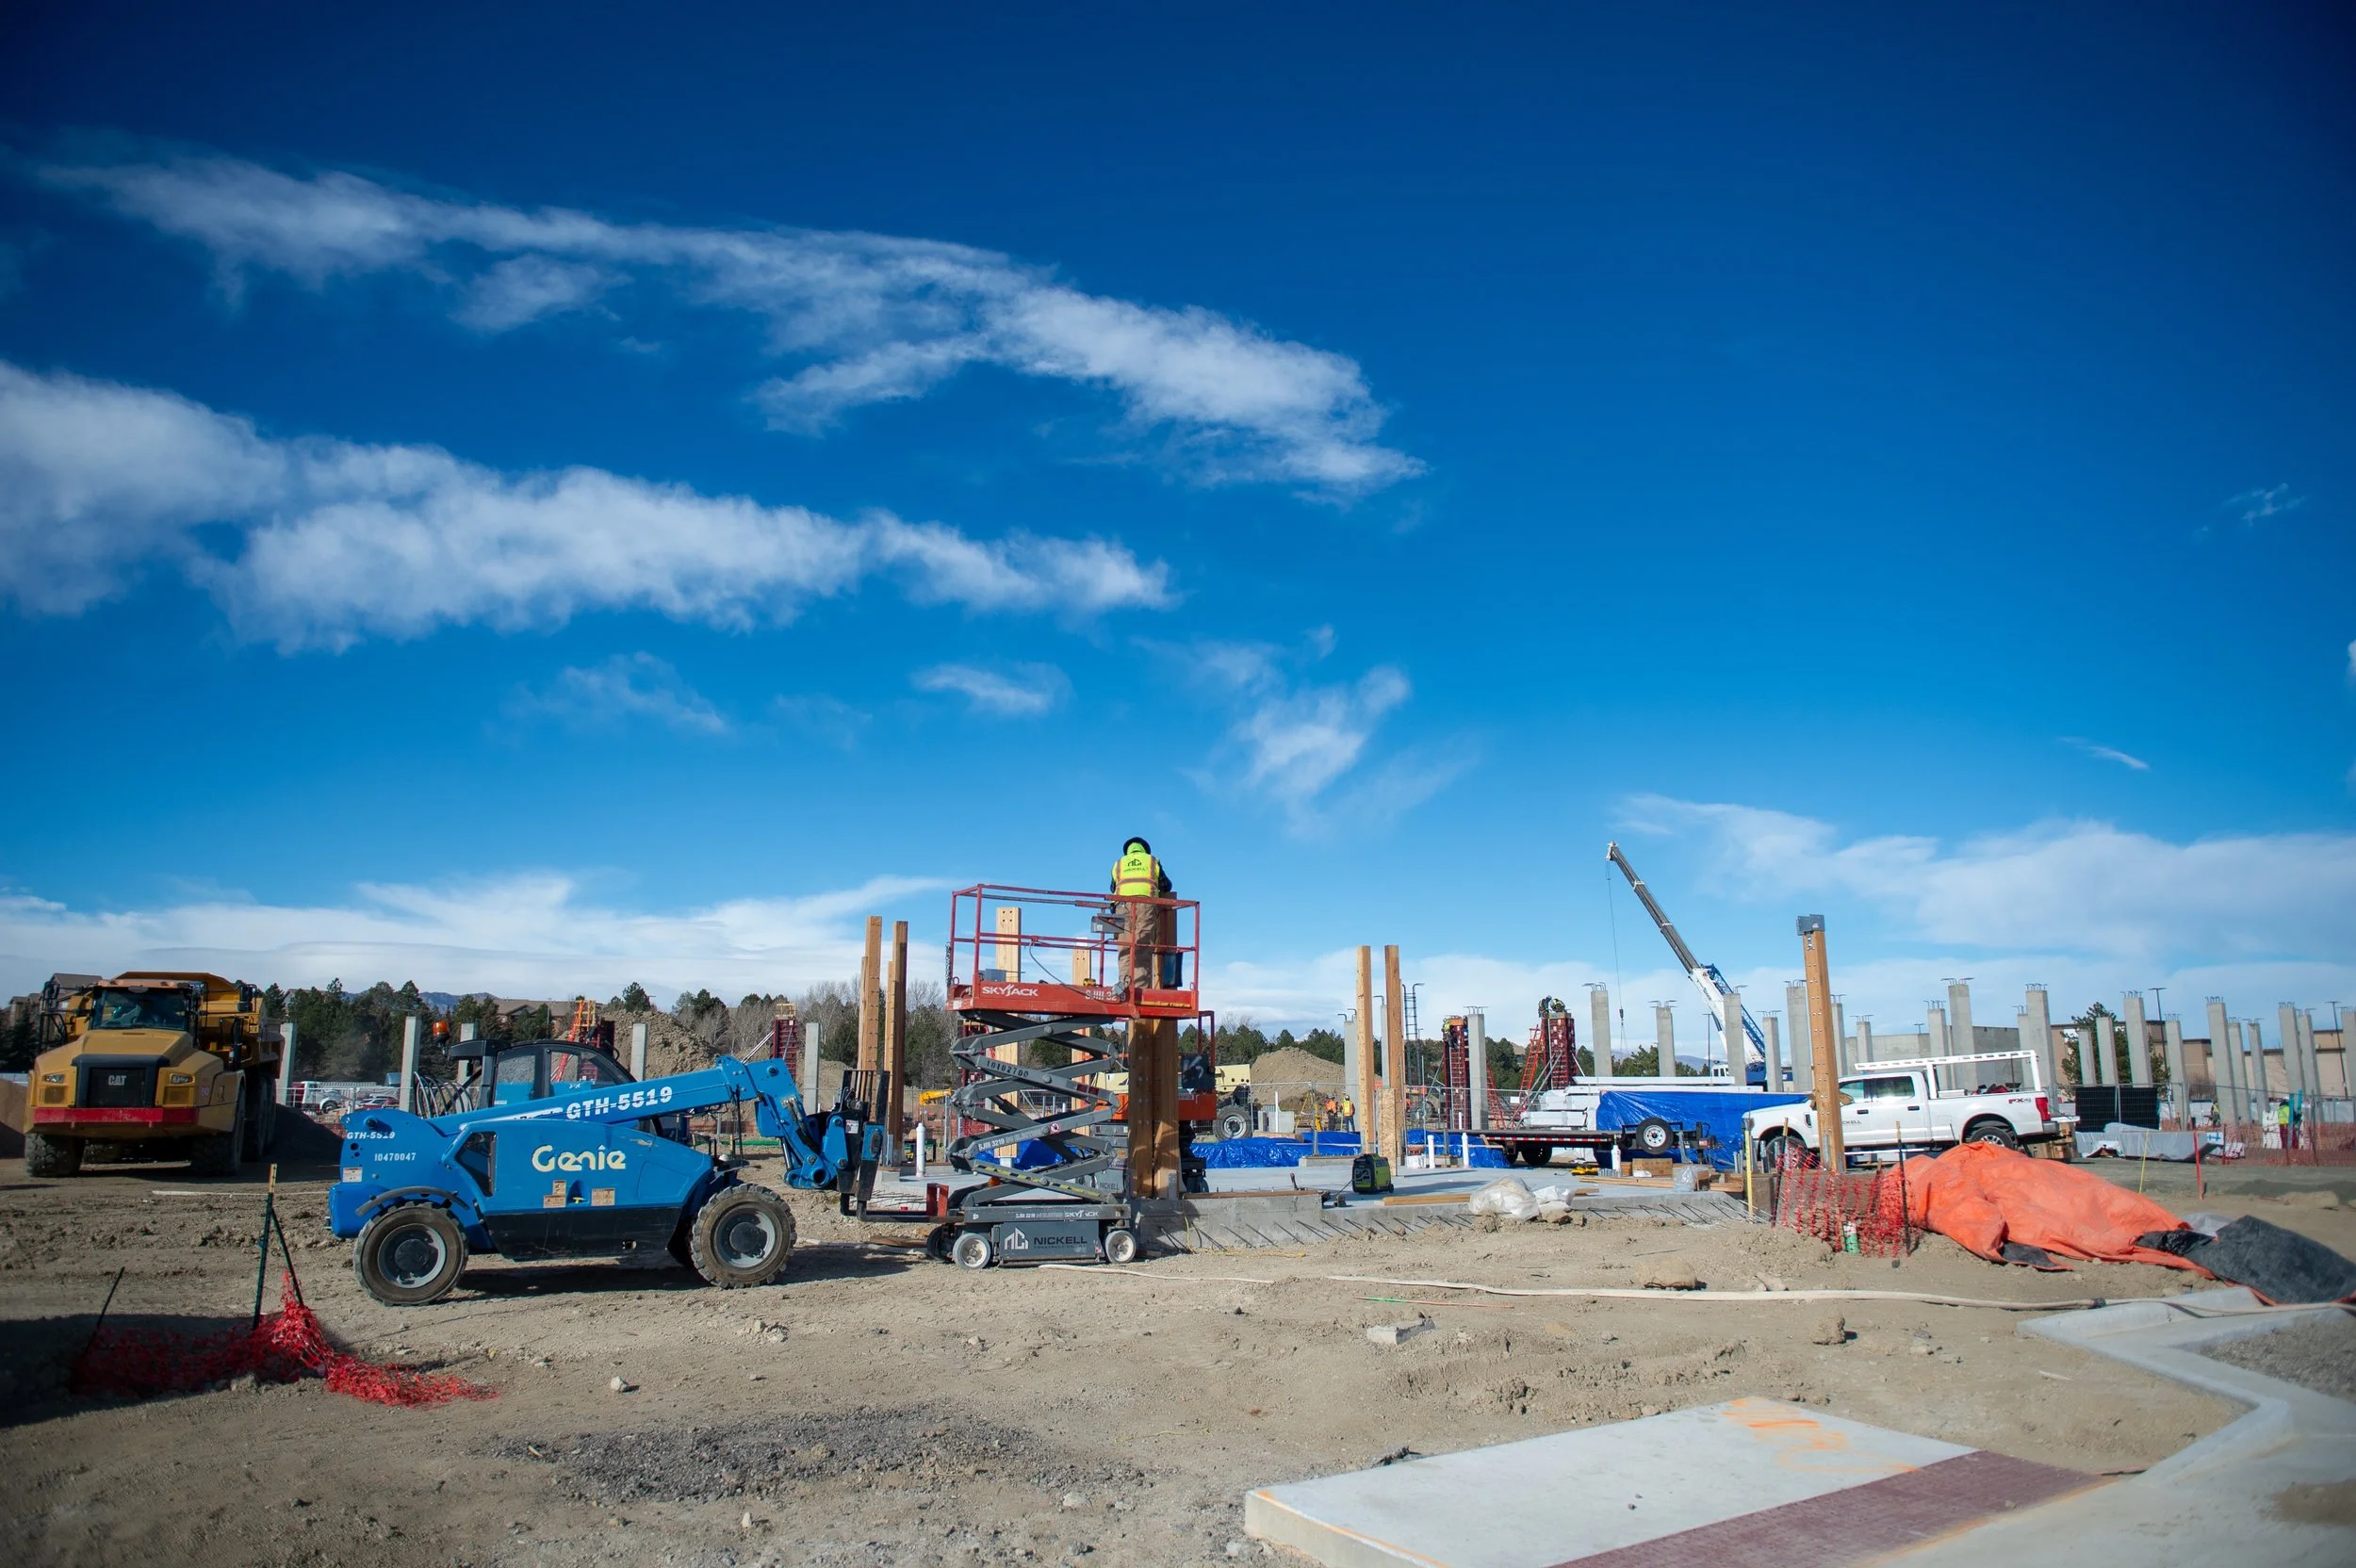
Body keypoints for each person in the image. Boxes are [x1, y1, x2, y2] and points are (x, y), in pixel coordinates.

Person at [1109, 836, 1181, 987]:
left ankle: (1125, 986)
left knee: (1125, 947)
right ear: (1145, 849)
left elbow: (1112, 887)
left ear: (1128, 850)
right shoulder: (1151, 861)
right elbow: (1166, 885)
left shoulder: (1119, 863)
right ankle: (1140, 989)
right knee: (1142, 945)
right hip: (1145, 905)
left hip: (1122, 906)